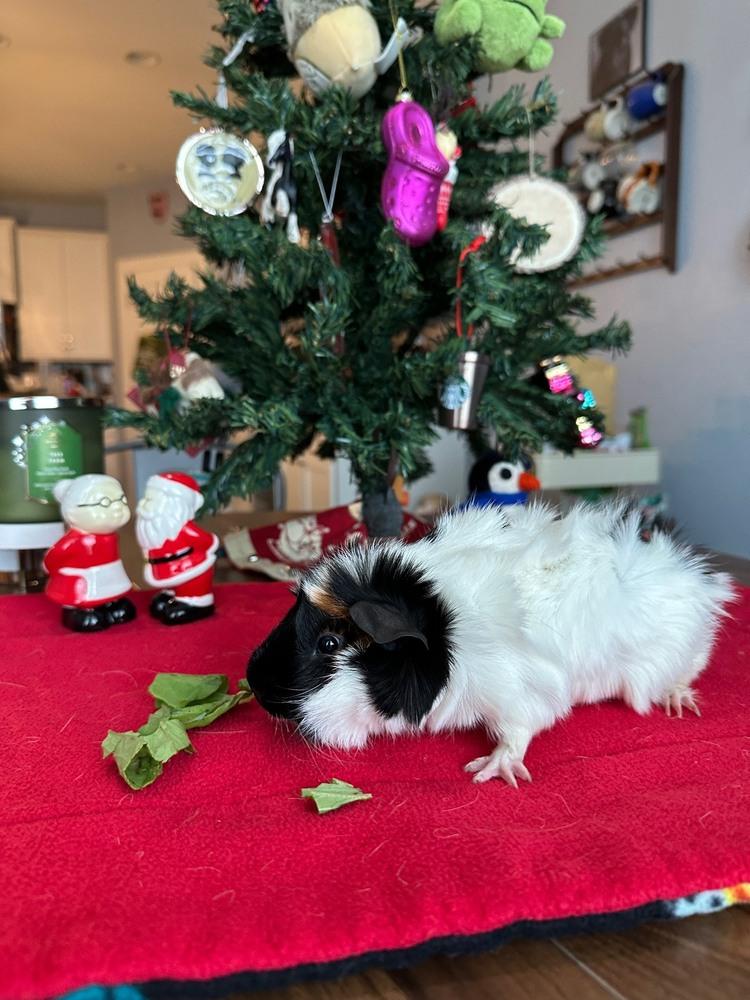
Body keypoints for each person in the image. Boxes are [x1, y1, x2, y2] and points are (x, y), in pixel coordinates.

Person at [136, 472, 218, 625]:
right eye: (147, 497)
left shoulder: (184, 529)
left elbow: (208, 541)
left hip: (190, 568)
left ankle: (195, 601)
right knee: (167, 591)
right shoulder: (152, 526)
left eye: (153, 499)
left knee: (191, 584)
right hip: (164, 567)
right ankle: (171, 593)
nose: (146, 503)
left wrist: (210, 542)